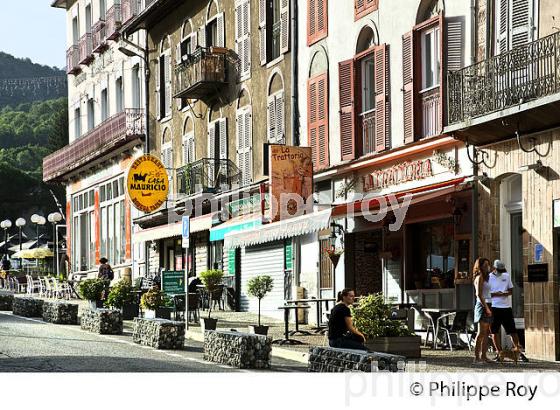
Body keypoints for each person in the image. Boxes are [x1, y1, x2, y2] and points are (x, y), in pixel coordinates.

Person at [489, 259, 529, 362]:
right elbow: (486, 293)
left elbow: (511, 290)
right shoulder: (489, 277)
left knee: (512, 330)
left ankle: (518, 352)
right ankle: (499, 353)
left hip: (506, 307)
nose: (501, 271)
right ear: (494, 268)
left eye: (502, 269)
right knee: (494, 331)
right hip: (494, 307)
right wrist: (496, 294)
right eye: (499, 269)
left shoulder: (506, 276)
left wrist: (505, 293)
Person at [473, 257, 492, 364]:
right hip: (482, 305)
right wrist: (487, 308)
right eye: (484, 265)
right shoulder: (479, 277)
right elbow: (479, 294)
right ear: (479, 267)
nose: (487, 267)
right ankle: (476, 358)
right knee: (481, 333)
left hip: (489, 304)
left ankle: (484, 356)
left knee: (486, 333)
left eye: (488, 265)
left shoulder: (487, 278)